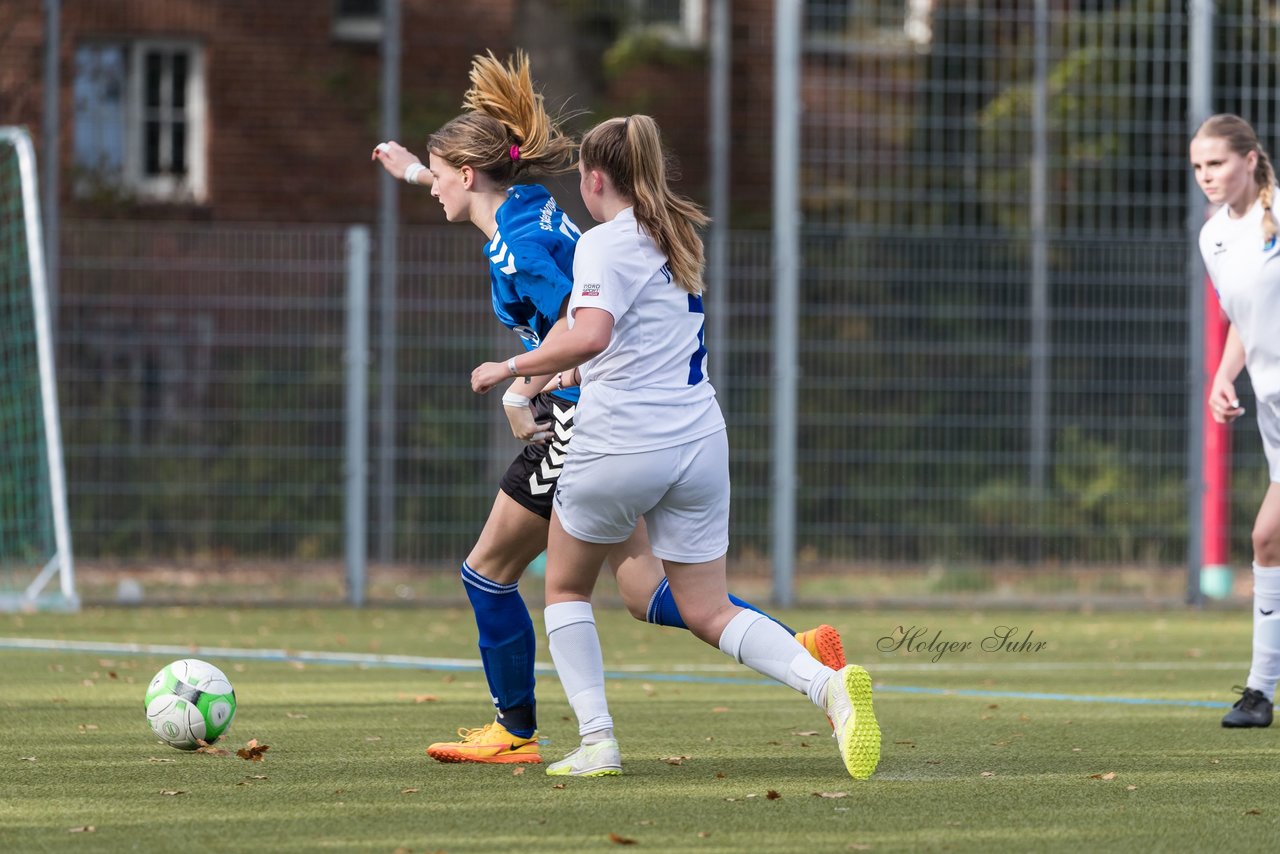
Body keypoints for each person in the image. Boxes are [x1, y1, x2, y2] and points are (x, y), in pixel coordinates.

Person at [373, 52, 847, 764]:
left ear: (467, 176)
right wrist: (415, 169)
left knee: (491, 573)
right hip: (664, 427)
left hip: (587, 422)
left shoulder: (527, 244)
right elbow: (479, 203)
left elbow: (582, 331)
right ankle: (793, 648)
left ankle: (518, 734)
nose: (433, 188)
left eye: (439, 177)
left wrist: (520, 382)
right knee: (643, 590)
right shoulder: (523, 206)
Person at [470, 114, 880, 779]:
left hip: (620, 444)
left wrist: (508, 372)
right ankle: (825, 687)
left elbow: (593, 335)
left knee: (568, 589)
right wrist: (559, 373)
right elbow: (630, 345)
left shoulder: (602, 243)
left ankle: (598, 740)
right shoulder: (678, 234)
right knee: (706, 607)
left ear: (596, 176)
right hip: (697, 443)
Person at [1192, 114, 1280, 728]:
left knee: (1264, 537)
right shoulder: (1213, 238)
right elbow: (1244, 324)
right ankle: (1260, 695)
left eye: (1216, 163)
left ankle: (1257, 690)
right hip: (1272, 404)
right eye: (1198, 168)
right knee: (1268, 541)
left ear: (1250, 159)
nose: (1206, 177)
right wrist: (1223, 377)